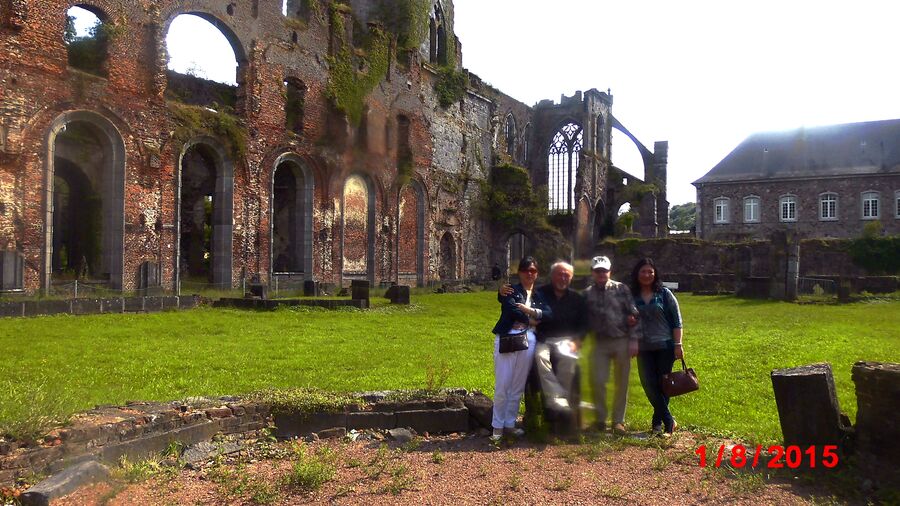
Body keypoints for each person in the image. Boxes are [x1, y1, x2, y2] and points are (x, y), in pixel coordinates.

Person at [500, 261, 586, 431]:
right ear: (552, 276)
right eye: (559, 274)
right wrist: (500, 291)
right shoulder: (541, 293)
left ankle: (564, 414)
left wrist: (578, 341)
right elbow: (516, 298)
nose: (562, 278)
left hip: (567, 341)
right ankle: (556, 401)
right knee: (540, 357)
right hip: (545, 339)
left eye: (566, 275)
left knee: (569, 365)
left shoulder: (577, 298)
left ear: (571, 278)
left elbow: (583, 324)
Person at [490, 256, 552, 441]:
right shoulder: (512, 290)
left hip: (529, 341)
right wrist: (531, 319)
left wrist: (530, 312)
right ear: (520, 273)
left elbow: (548, 313)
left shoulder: (540, 295)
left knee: (517, 386)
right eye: (526, 270)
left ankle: (509, 424)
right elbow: (510, 309)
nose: (529, 274)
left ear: (537, 273)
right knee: (503, 385)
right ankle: (497, 428)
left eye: (533, 271)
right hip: (508, 338)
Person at [584, 255, 639, 434]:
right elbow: (581, 319)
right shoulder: (587, 293)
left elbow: (634, 316)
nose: (601, 273)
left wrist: (633, 340)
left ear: (610, 271)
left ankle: (618, 421)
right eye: (598, 270)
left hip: (621, 340)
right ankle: (600, 419)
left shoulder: (621, 289)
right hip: (599, 342)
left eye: (604, 270)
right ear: (593, 272)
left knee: (621, 383)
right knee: (598, 381)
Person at [631, 257, 684, 436]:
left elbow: (677, 321)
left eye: (650, 272)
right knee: (649, 385)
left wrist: (678, 344)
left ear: (655, 274)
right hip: (642, 347)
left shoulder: (664, 293)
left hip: (665, 346)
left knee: (663, 385)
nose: (647, 275)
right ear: (637, 274)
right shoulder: (632, 296)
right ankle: (669, 420)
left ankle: (658, 424)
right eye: (643, 271)